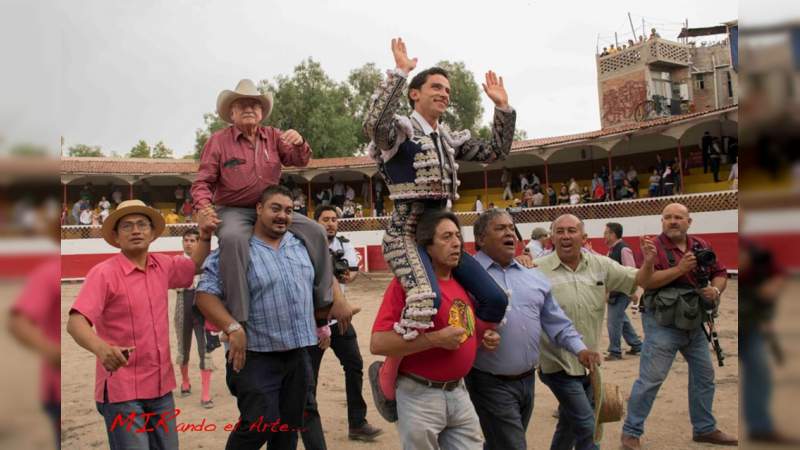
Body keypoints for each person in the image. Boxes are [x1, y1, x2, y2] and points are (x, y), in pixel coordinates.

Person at [362, 37, 513, 414]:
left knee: (495, 299)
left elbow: (496, 152)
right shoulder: (399, 133)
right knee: (424, 300)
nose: (444, 93)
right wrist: (399, 72)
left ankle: (462, 350)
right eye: (436, 87)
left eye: (447, 89)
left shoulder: (446, 138)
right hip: (407, 233)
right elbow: (374, 124)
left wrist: (502, 107)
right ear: (414, 94)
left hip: (442, 234)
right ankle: (387, 379)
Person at [191, 79, 347, 335]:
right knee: (232, 239)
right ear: (231, 113)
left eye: (254, 104)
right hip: (233, 209)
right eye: (242, 104)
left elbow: (300, 161)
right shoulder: (218, 141)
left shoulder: (274, 136)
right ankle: (239, 317)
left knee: (317, 231)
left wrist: (299, 142)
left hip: (271, 207)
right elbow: (202, 182)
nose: (249, 108)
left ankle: (322, 305)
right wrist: (205, 207)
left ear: (262, 112)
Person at [195, 186, 345, 449]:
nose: (282, 216)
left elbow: (324, 277)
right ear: (258, 209)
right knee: (259, 424)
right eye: (275, 209)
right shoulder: (238, 249)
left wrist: (333, 307)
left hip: (298, 354)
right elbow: (204, 295)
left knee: (287, 430)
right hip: (255, 356)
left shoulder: (301, 244)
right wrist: (232, 327)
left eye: (288, 211)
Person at [66, 200, 216, 450]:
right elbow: (75, 322)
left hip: (161, 386)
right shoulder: (103, 273)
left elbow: (194, 266)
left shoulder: (163, 265)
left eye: (142, 225)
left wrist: (205, 235)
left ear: (152, 233)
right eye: (127, 226)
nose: (135, 230)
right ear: (116, 236)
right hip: (122, 390)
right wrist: (102, 349)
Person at [466, 209, 599, 450]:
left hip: (527, 380)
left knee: (500, 443)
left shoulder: (533, 275)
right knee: (513, 445)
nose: (509, 233)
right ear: (481, 239)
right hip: (488, 381)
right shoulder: (467, 274)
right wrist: (477, 334)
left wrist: (580, 349)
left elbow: (557, 322)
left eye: (511, 228)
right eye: (500, 228)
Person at [370, 211, 501, 450]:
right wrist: (435, 339)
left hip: (459, 391)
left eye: (458, 236)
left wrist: (483, 337)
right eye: (446, 237)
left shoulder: (464, 284)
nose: (456, 243)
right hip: (419, 395)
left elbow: (463, 328)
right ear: (427, 247)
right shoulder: (406, 288)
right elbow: (378, 343)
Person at [621, 203, 737, 449]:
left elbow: (720, 272)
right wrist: (680, 269)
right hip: (662, 324)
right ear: (662, 221)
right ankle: (631, 432)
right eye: (668, 217)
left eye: (678, 217)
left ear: (689, 222)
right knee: (651, 380)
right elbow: (647, 282)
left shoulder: (701, 245)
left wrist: (715, 290)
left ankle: (704, 428)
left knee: (704, 377)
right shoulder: (652, 247)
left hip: (694, 321)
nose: (672, 221)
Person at [537, 214, 656, 450]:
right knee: (587, 427)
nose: (565, 236)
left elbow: (638, 279)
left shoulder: (601, 264)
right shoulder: (536, 269)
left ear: (584, 237)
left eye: (572, 231)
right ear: (552, 238)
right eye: (560, 231)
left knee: (569, 424)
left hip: (589, 364)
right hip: (557, 364)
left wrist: (649, 263)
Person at [309, 205, 383, 442]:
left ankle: (357, 423)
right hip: (313, 319)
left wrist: (349, 275)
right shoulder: (306, 245)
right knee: (308, 374)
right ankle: (305, 423)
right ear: (315, 222)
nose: (331, 223)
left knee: (354, 365)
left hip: (339, 317)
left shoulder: (344, 244)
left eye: (334, 219)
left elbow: (351, 272)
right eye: (325, 219)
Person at [174, 229, 217, 409]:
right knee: (183, 347)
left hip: (202, 308)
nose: (189, 243)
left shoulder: (208, 261)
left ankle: (205, 394)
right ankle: (185, 382)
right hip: (183, 306)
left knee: (204, 349)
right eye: (186, 240)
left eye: (193, 240)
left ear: (199, 243)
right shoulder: (177, 262)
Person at [603, 223, 643, 361]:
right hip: (617, 291)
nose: (604, 236)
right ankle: (637, 345)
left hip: (621, 291)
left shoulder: (623, 249)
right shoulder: (613, 250)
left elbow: (631, 270)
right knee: (621, 319)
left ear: (613, 234)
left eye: (606, 233)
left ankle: (615, 351)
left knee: (613, 321)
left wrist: (632, 292)